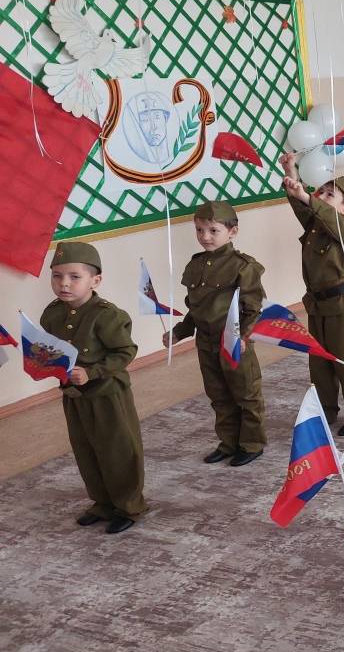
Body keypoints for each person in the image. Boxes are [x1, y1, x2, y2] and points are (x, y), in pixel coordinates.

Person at [42, 242, 147, 534]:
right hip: (74, 394)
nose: (64, 283)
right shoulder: (52, 314)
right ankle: (103, 502)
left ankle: (129, 505)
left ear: (95, 280)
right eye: (57, 276)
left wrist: (92, 372)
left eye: (74, 276)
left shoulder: (107, 315)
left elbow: (125, 351)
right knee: (85, 448)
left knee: (118, 449)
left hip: (107, 393)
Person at [164, 200, 267, 465]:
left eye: (213, 230)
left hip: (233, 341)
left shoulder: (243, 266)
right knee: (218, 395)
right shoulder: (196, 265)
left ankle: (251, 443)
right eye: (199, 230)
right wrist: (179, 332)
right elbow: (196, 309)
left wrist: (244, 336)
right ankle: (229, 442)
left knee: (246, 394)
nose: (205, 237)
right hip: (206, 342)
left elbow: (253, 309)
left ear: (232, 232)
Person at [280, 152, 344, 436]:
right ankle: (326, 410)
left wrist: (307, 197)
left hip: (342, 306)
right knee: (319, 364)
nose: (321, 196)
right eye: (321, 191)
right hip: (317, 306)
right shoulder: (316, 226)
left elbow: (324, 214)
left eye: (330, 194)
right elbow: (301, 206)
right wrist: (291, 172)